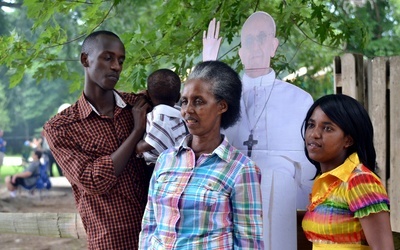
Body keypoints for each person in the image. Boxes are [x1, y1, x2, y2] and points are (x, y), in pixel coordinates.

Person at [203, 12, 315, 249]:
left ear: (273, 46)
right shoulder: (222, 97)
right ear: (241, 52)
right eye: (249, 41)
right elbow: (201, 134)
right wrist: (207, 70)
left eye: (262, 38)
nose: (255, 46)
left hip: (282, 203)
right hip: (229, 199)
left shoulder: (300, 100)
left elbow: (309, 167)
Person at [43, 30, 151, 249]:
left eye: (121, 60)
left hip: (158, 236)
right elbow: (94, 181)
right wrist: (136, 132)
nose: (116, 66)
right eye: (108, 57)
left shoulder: (139, 106)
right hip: (111, 242)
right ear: (85, 59)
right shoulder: (61, 127)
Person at [139, 61, 264, 249]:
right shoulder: (166, 160)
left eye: (198, 101)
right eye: (184, 101)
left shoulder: (241, 169)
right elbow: (149, 226)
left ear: (222, 106)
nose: (187, 110)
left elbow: (249, 242)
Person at [301, 94, 394, 249]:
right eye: (311, 125)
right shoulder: (327, 182)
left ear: (348, 140)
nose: (314, 134)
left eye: (327, 128)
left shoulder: (360, 180)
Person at [135, 68, 187, 168]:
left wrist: (138, 146)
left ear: (148, 95)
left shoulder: (160, 116)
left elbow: (150, 143)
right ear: (178, 97)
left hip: (161, 166)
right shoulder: (178, 112)